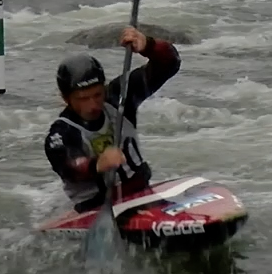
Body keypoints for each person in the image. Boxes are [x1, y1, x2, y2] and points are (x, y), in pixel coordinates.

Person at [45, 29, 180, 211]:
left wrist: (148, 45)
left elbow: (170, 63)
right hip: (96, 208)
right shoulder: (61, 133)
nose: (93, 105)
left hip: (141, 196)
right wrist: (97, 164)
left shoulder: (119, 97)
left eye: (97, 94)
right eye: (83, 99)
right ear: (66, 98)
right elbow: (69, 167)